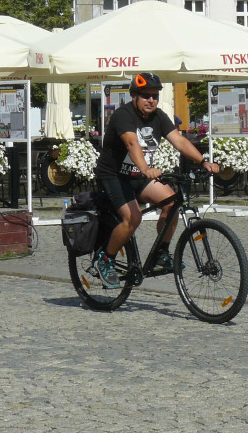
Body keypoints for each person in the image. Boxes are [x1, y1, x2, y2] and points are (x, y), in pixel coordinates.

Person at [92, 72, 220, 289]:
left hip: (138, 176)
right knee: (132, 219)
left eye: (155, 96)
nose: (151, 100)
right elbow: (132, 143)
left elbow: (178, 140)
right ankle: (104, 259)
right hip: (113, 175)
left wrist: (202, 161)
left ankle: (161, 252)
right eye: (145, 95)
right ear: (134, 96)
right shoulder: (123, 115)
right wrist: (146, 168)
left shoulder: (159, 116)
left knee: (171, 202)